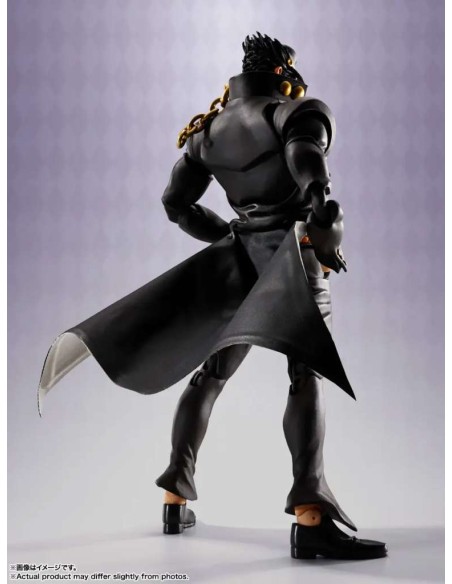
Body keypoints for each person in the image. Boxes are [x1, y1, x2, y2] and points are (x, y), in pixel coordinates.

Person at [39, 33, 387, 560]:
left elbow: (175, 204)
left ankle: (174, 495)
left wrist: (230, 235)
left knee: (211, 376)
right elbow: (312, 178)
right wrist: (323, 227)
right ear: (282, 71)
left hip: (241, 262)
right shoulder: (295, 114)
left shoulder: (206, 133)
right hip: (293, 259)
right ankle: (311, 517)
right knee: (305, 373)